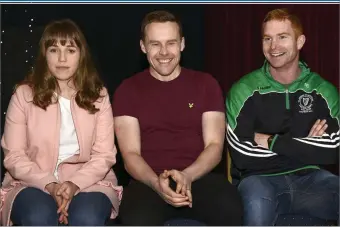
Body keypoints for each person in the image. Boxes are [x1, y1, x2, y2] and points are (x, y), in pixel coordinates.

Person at [112, 10, 243, 226]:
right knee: (136, 219)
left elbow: (214, 146)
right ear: (143, 46)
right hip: (148, 181)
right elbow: (130, 155)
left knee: (230, 209)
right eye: (155, 44)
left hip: (199, 176)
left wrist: (187, 176)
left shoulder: (206, 84)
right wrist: (156, 183)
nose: (164, 52)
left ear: (182, 44)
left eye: (170, 43)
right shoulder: (127, 90)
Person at [0, 19, 123, 226]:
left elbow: (104, 155)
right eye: (54, 50)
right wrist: (49, 184)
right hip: (32, 182)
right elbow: (14, 156)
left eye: (71, 50)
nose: (62, 58)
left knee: (87, 218)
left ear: (81, 55)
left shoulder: (98, 95)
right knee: (38, 216)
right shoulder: (23, 94)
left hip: (89, 182)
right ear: (44, 54)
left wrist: (74, 184)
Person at [226, 8, 339, 226]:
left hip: (312, 180)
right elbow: (242, 155)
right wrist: (308, 147)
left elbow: (332, 151)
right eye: (267, 39)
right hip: (259, 181)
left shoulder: (323, 91)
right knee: (257, 207)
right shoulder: (243, 90)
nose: (273, 46)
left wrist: (269, 141)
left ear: (300, 41)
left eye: (282, 37)